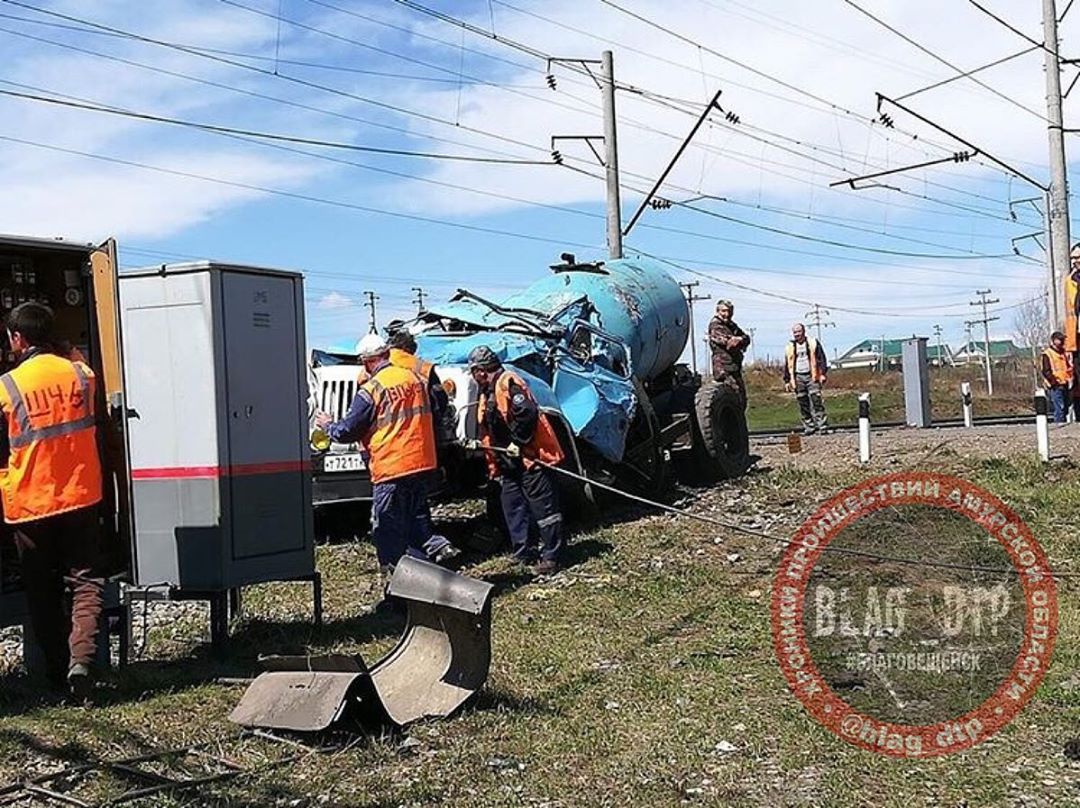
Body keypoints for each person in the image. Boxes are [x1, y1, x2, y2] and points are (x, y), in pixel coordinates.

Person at [0, 303, 103, 699]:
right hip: (81, 495)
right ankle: (83, 662)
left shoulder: (8, 387)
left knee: (41, 591)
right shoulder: (81, 373)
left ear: (17, 339)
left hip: (30, 504)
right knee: (86, 582)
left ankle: (59, 674)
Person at [314, 334, 451, 599]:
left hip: (392, 469)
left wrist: (327, 424)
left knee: (388, 533)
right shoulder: (414, 380)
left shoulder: (372, 389)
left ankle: (396, 597)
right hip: (421, 464)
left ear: (367, 362)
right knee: (415, 527)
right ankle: (424, 594)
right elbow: (436, 408)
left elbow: (347, 431)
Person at [467, 345, 565, 575]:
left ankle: (552, 556)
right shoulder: (486, 391)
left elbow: (527, 413)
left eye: (473, 372)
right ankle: (524, 552)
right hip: (509, 462)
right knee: (513, 506)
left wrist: (518, 443)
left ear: (481, 371)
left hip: (532, 457)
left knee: (544, 508)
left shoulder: (508, 382)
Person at [783, 323, 829, 435]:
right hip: (798, 377)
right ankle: (809, 427)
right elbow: (787, 364)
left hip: (812, 375)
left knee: (816, 400)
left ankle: (822, 425)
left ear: (803, 331)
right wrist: (787, 380)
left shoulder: (813, 343)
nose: (797, 334)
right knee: (802, 402)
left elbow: (821, 358)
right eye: (795, 332)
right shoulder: (789, 347)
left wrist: (822, 373)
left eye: (798, 331)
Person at [707, 299, 751, 407]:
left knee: (741, 400)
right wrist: (738, 340)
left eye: (730, 311)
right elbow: (730, 343)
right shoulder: (715, 326)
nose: (727, 314)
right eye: (724, 311)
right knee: (733, 400)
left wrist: (740, 339)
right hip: (723, 369)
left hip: (734, 367)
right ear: (718, 311)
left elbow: (746, 338)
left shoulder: (731, 325)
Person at [1041, 330, 1073, 423]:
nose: (1062, 341)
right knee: (1060, 408)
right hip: (1055, 385)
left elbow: (1068, 368)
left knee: (1065, 408)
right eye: (1060, 339)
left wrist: (1070, 379)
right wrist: (1054, 382)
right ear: (1054, 340)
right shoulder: (1048, 354)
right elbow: (1046, 371)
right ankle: (1059, 428)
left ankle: (1061, 425)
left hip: (1065, 383)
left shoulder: (1063, 353)